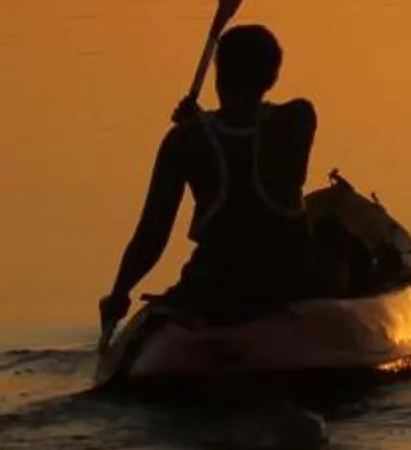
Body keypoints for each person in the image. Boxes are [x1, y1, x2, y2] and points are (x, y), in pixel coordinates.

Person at [97, 23, 331, 338]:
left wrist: (119, 292)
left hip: (216, 286)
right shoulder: (298, 119)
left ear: (218, 76)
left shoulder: (184, 141)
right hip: (285, 280)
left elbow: (152, 236)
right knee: (337, 240)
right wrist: (200, 124)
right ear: (273, 78)